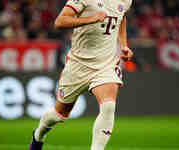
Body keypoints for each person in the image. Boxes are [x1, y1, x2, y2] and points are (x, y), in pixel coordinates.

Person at [29, 0, 133, 149]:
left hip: (105, 64)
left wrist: (123, 45)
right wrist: (91, 19)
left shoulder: (125, 0)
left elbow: (121, 17)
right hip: (78, 65)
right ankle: (38, 134)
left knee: (108, 106)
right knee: (58, 114)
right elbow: (60, 22)